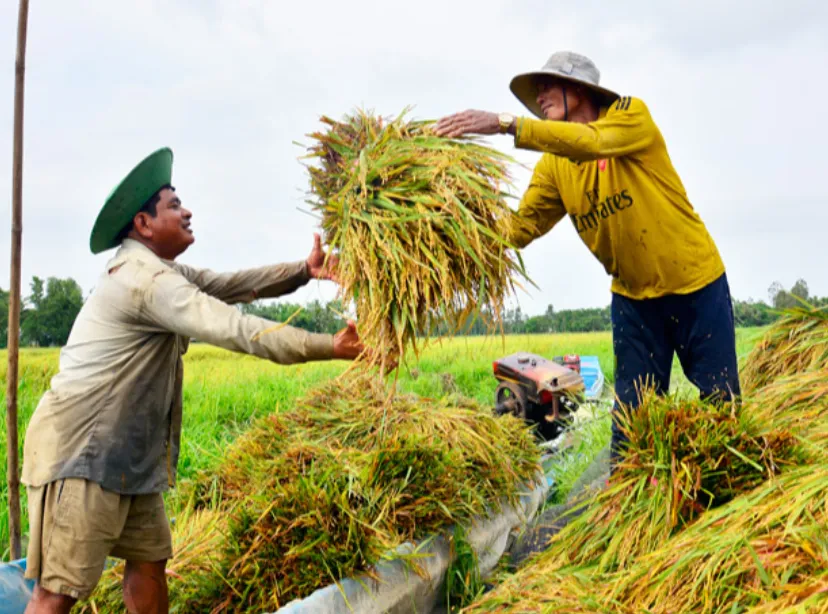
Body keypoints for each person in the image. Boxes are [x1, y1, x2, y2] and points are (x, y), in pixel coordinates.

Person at [21, 147, 364, 613]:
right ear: (143, 224)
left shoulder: (164, 272)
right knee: (57, 592)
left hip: (129, 460)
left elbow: (234, 284)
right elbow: (234, 327)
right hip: (83, 454)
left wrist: (304, 271)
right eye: (174, 205)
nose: (187, 212)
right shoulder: (143, 280)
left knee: (148, 563)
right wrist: (331, 346)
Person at [435, 51, 741, 467]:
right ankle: (627, 513)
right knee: (631, 426)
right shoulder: (554, 167)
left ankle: (727, 497)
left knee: (722, 410)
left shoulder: (631, 117)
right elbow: (517, 230)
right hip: (634, 303)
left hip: (696, 286)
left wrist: (506, 124)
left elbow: (592, 143)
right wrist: (452, 212)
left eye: (546, 85)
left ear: (578, 88)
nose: (539, 97)